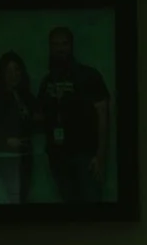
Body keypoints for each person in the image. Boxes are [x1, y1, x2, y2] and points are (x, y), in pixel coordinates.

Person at [32, 26, 110, 204]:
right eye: (55, 44)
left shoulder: (88, 75)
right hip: (58, 157)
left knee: (92, 209)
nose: (60, 48)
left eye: (64, 43)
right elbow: (39, 116)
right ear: (50, 47)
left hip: (85, 155)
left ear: (71, 45)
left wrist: (100, 156)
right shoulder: (48, 81)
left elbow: (103, 115)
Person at [0, 51, 39, 205]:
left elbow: (35, 120)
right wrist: (6, 140)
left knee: (22, 197)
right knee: (15, 198)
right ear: (2, 74)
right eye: (9, 70)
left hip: (25, 155)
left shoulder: (25, 97)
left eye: (17, 70)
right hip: (7, 157)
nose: (14, 74)